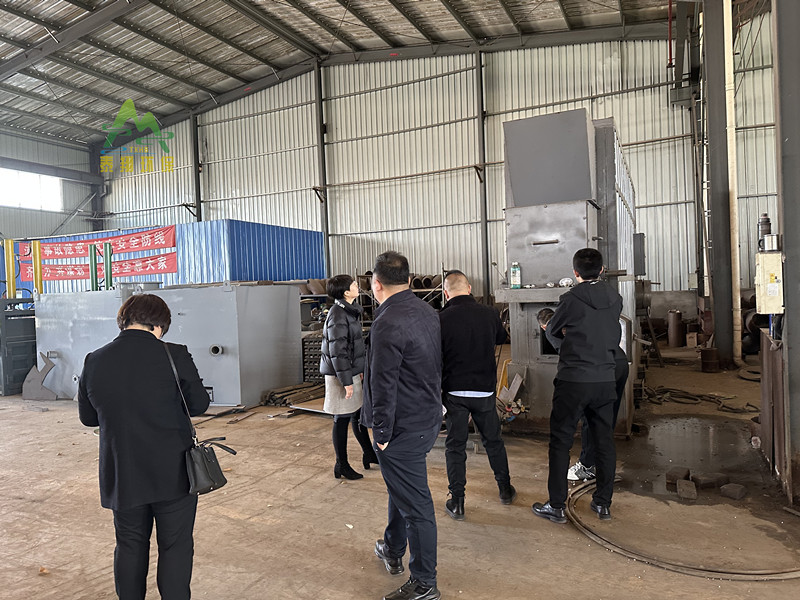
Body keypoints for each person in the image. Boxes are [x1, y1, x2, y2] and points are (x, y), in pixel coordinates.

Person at [78, 294, 211, 600]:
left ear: (123, 321)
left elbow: (88, 418)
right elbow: (199, 404)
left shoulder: (94, 359)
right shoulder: (174, 354)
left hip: (122, 472)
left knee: (129, 544)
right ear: (160, 324)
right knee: (175, 545)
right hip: (174, 472)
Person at [362, 251, 442, 600]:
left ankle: (425, 584)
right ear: (409, 280)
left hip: (401, 427)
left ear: (376, 284)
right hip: (426, 417)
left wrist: (381, 434)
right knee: (403, 488)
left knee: (417, 507)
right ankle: (393, 548)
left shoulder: (387, 322)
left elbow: (383, 384)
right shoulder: (426, 311)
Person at [532, 248, 622, 524]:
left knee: (561, 442)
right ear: (602, 270)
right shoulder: (614, 297)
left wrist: (569, 338)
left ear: (575, 272)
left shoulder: (570, 299)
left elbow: (551, 329)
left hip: (574, 381)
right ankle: (603, 503)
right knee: (604, 442)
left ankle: (556, 505)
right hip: (605, 378)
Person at [439, 270, 515, 521]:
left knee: (455, 446)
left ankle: (457, 501)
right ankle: (505, 489)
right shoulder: (490, 313)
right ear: (469, 288)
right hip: (484, 390)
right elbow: (501, 337)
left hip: (454, 391)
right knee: (493, 441)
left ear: (446, 293)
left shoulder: (441, 318)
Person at [537, 308, 629, 483]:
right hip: (619, 362)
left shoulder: (551, 329)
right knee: (606, 417)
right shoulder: (574, 317)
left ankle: (587, 466)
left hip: (598, 369)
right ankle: (603, 462)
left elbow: (569, 356)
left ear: (542, 327)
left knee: (590, 417)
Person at [319, 274, 379, 480]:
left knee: (357, 414)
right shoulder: (338, 314)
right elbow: (338, 352)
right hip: (340, 375)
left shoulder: (349, 311)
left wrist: (357, 371)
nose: (357, 286)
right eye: (354, 284)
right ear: (346, 292)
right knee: (341, 418)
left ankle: (369, 453)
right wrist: (346, 382)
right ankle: (341, 464)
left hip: (350, 372)